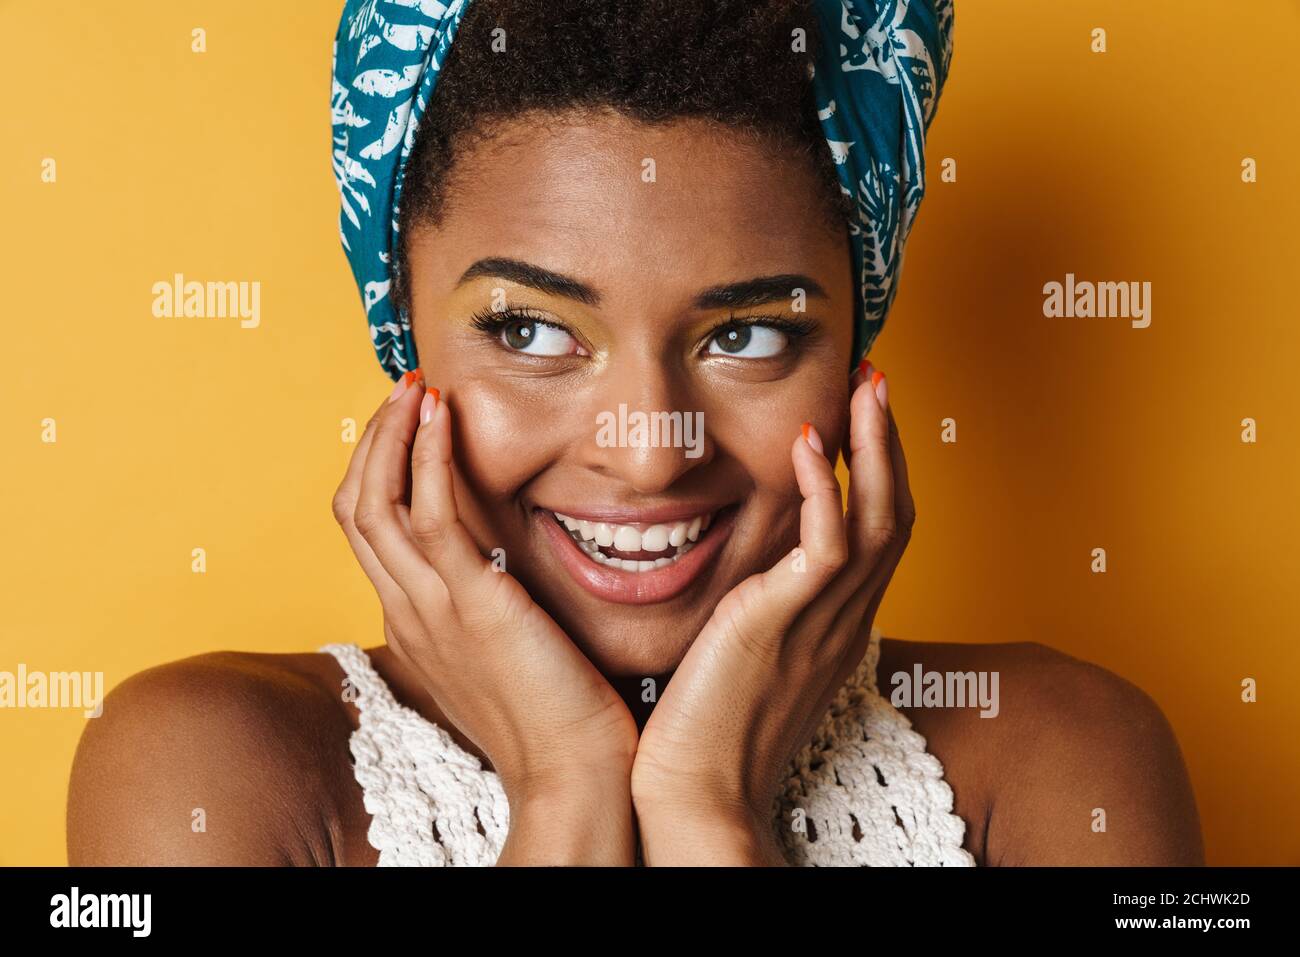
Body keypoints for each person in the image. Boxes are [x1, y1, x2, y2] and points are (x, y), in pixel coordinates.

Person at [67, 0, 1203, 866]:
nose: (651, 449)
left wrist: (710, 811)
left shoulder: (1065, 755)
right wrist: (565, 788)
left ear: (857, 355)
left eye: (747, 335)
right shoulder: (207, 768)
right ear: (404, 336)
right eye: (530, 330)